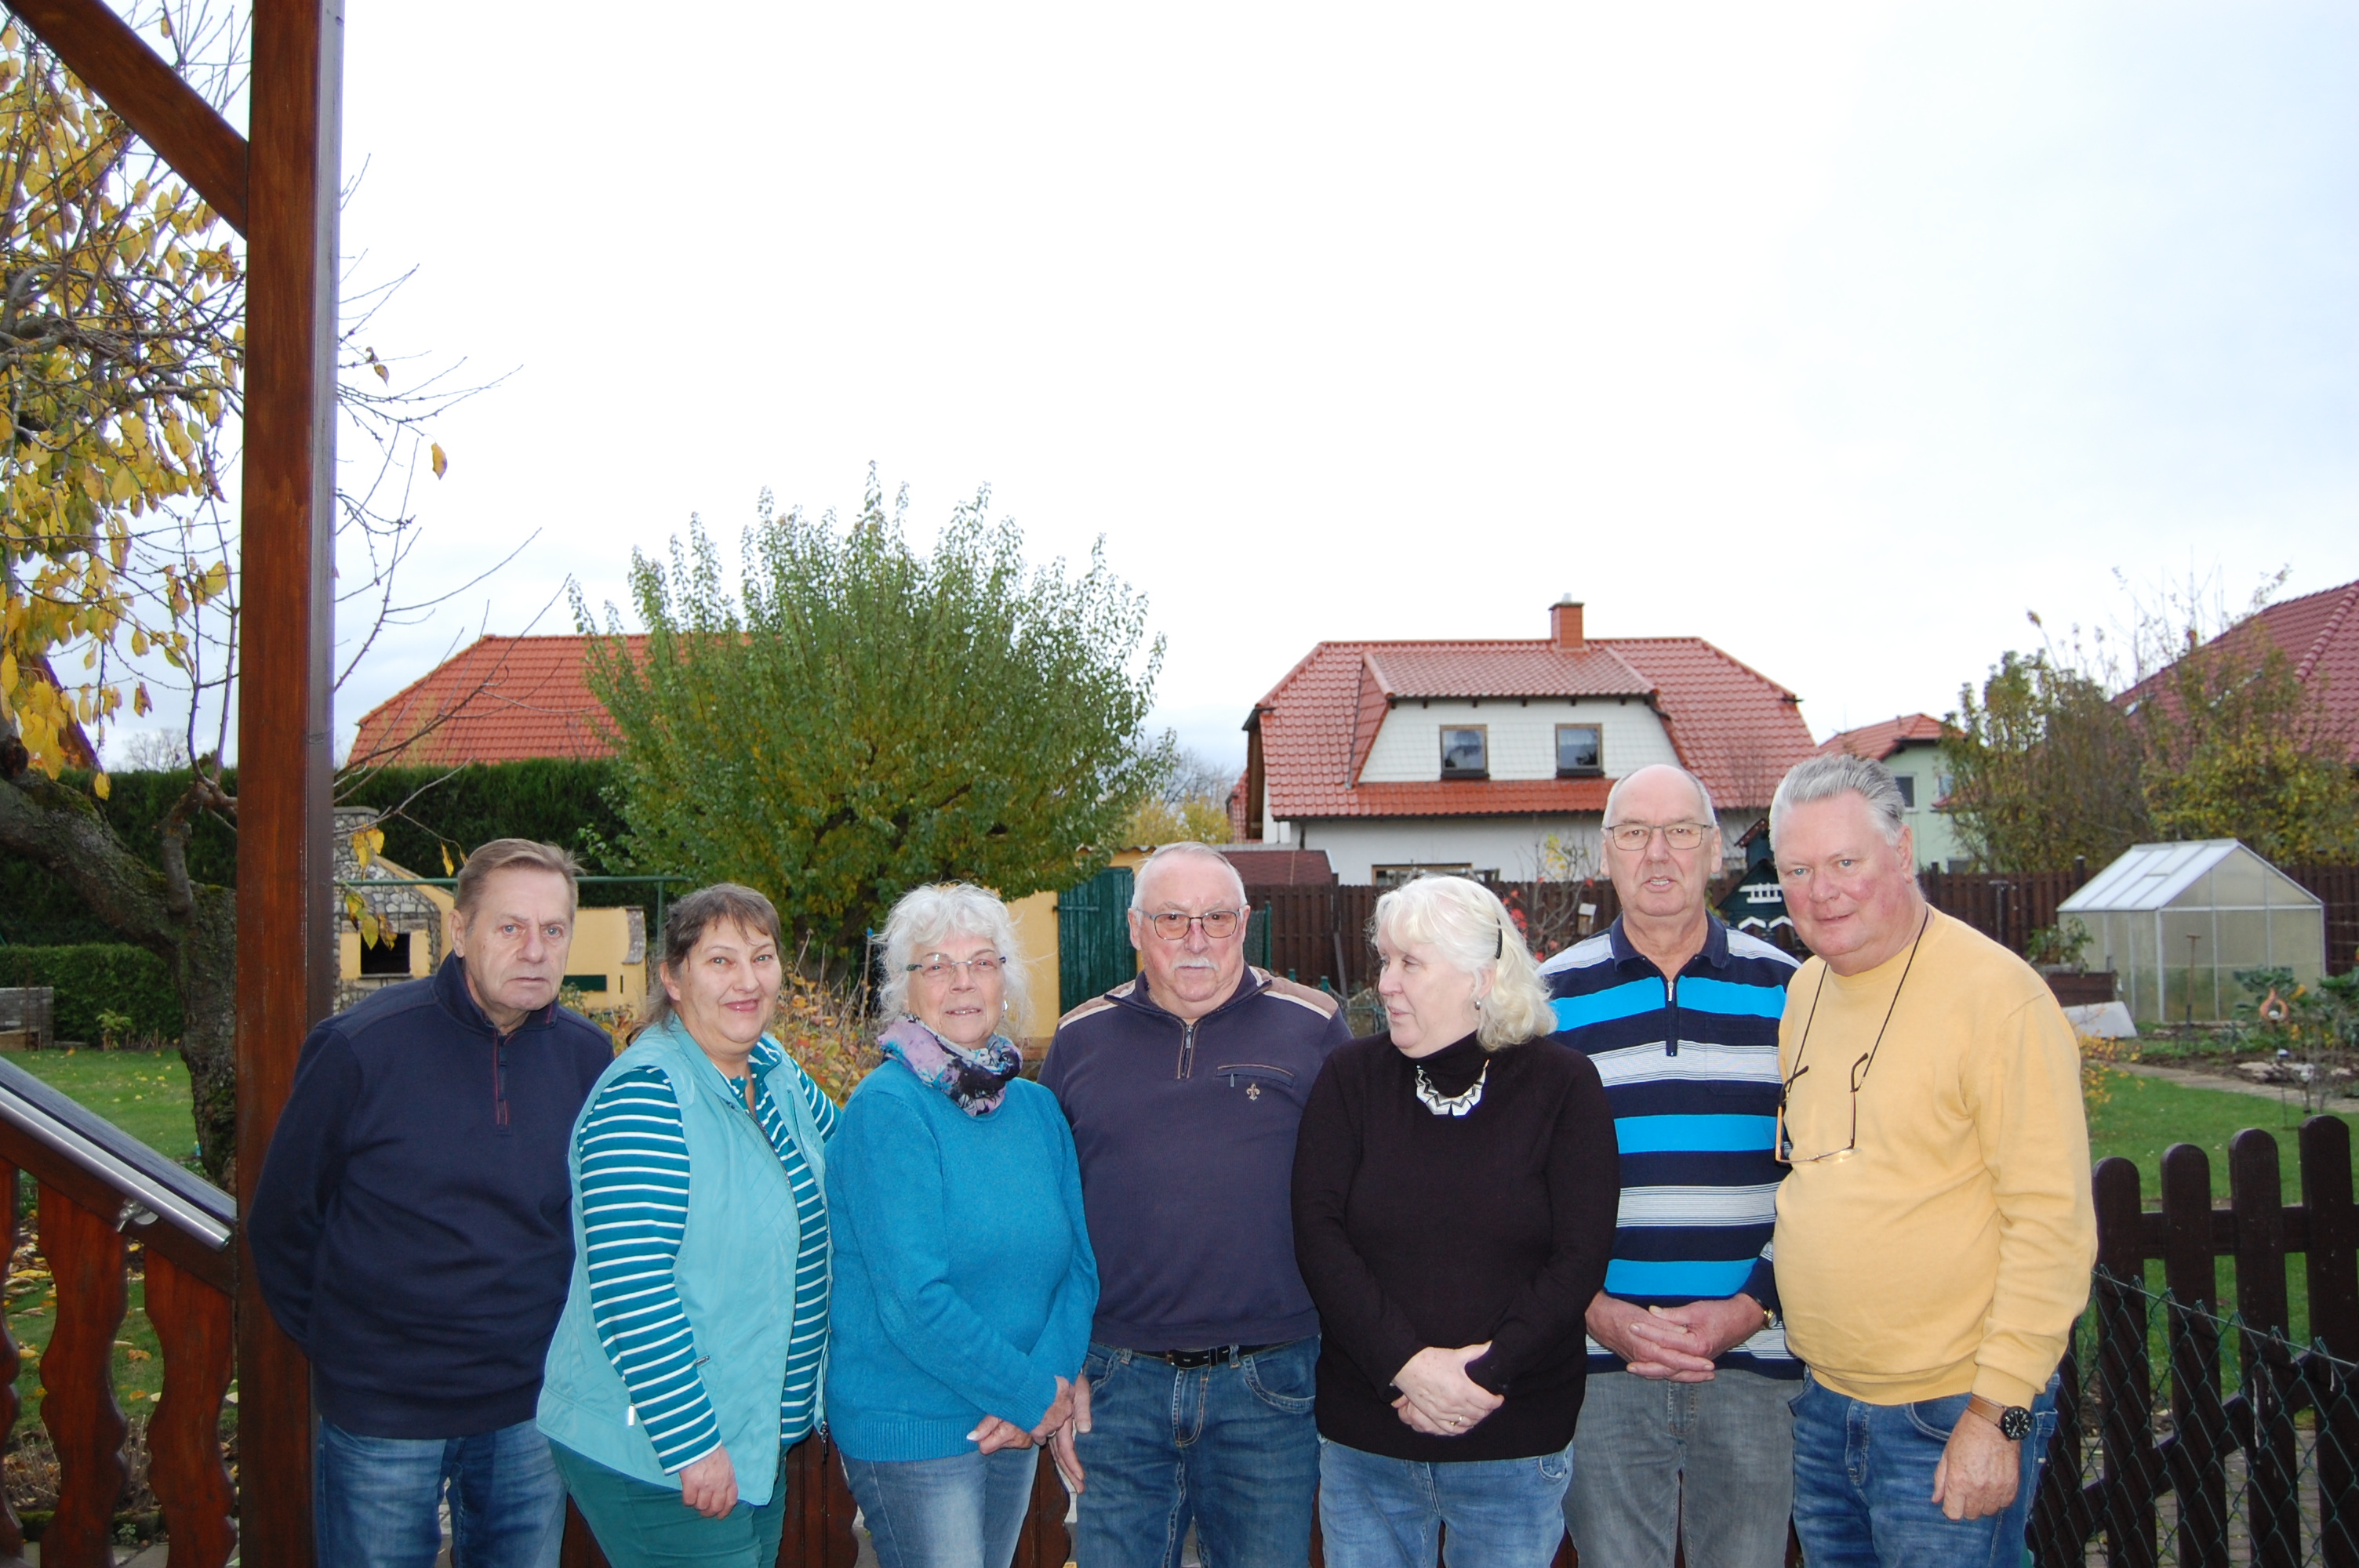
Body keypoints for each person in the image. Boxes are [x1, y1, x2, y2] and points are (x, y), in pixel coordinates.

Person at [1769, 753, 2096, 1567]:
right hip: (1825, 1401)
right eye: (1797, 869)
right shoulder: (1805, 991)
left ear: (1903, 852)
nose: (1821, 889)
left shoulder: (1999, 998)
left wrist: (1999, 1418)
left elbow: (2052, 1228)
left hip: (1956, 1411)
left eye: (1846, 861)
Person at [249, 839, 613, 1568]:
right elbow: (283, 1220)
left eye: (554, 930)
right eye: (510, 927)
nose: (536, 950)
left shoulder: (588, 1057)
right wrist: (346, 1349)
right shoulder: (361, 1047)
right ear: (459, 931)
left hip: (529, 1412)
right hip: (385, 1413)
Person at [1039, 841, 1352, 1568]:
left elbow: (1362, 1199)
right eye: (1172, 918)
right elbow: (1048, 1219)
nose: (1197, 938)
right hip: (1115, 1386)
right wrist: (1060, 1369)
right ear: (1134, 928)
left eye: (1216, 917)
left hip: (1270, 1385)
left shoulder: (1314, 1026)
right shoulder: (1080, 1038)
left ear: (1245, 921)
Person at [1292, 875, 1619, 1568]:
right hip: (1368, 1440)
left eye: (1409, 963)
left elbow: (1579, 1257)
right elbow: (1319, 1237)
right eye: (1384, 960)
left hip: (1512, 1436)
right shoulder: (1349, 1080)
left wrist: (1485, 1376)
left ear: (1484, 977)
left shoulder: (1564, 1087)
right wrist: (1405, 1369)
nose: (1384, 983)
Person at [1539, 764, 1801, 1568]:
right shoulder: (1545, 1000)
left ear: (1714, 849)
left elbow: (1825, 1183)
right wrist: (1593, 1308)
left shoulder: (1790, 994)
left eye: (1680, 831)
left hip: (1754, 1367)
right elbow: (1516, 1187)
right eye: (1633, 833)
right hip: (1600, 1366)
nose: (1657, 853)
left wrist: (1748, 1307)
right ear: (1605, 853)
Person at [537, 884, 839, 1567]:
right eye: (720, 961)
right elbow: (632, 1289)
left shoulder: (773, 1071)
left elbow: (857, 1163)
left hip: (754, 1437)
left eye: (762, 958)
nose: (747, 981)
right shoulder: (648, 1098)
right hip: (667, 1452)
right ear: (672, 979)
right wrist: (693, 1444)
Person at [825, 884, 1100, 1568]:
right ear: (904, 989)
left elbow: (1080, 1268)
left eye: (981, 961)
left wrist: (1049, 1385)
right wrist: (1033, 1394)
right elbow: (913, 1299)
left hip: (1014, 1419)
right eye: (937, 966)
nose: (963, 983)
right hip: (918, 1425)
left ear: (1006, 979)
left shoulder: (1036, 1108)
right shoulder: (887, 1110)